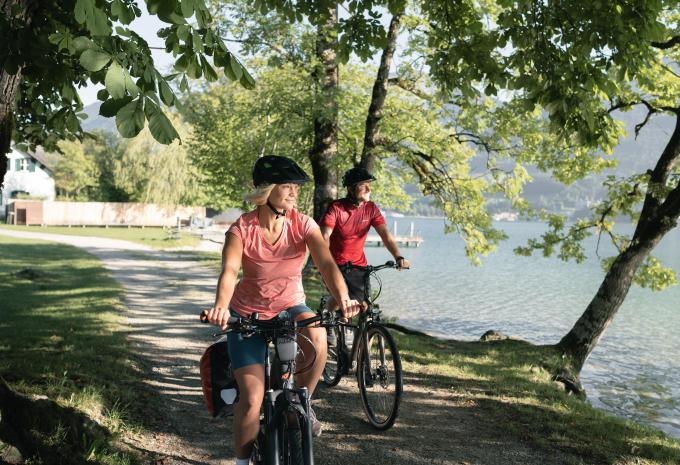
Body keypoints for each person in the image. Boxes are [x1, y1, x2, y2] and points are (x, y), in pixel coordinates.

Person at [204, 155, 362, 465]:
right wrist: (221, 307)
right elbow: (229, 271)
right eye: (287, 186)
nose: (294, 193)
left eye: (296, 187)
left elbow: (327, 264)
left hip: (290, 306)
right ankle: (241, 462)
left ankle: (301, 403)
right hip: (247, 316)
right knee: (250, 400)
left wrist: (343, 298)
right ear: (267, 190)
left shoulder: (303, 224)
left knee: (316, 334)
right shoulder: (242, 228)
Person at [320, 166, 411, 311]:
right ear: (351, 188)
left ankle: (361, 333)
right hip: (335, 265)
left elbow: (386, 236)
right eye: (364, 186)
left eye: (370, 185)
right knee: (342, 301)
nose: (369, 189)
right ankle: (328, 319)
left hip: (359, 266)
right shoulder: (336, 208)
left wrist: (398, 257)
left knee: (363, 306)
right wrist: (324, 261)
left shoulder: (371, 208)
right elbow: (324, 236)